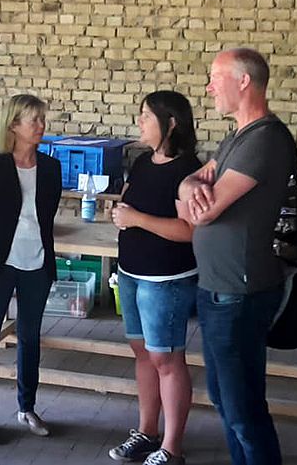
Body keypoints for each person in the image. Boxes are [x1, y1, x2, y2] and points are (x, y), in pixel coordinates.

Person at [178, 48, 296, 465]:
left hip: (239, 292)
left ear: (244, 81)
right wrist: (189, 187)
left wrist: (194, 196)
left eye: (215, 77)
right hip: (217, 287)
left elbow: (203, 213)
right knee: (226, 400)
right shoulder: (236, 137)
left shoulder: (265, 139)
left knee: (242, 407)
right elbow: (191, 186)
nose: (209, 87)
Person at [108, 91, 201, 465]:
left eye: (146, 115)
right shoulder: (143, 162)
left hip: (165, 279)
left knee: (166, 358)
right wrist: (122, 215)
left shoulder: (188, 170)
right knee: (143, 352)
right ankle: (147, 433)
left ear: (171, 123)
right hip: (131, 272)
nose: (140, 122)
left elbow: (189, 230)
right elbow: (128, 202)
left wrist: (136, 220)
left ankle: (172, 448)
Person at [0, 94, 62, 445]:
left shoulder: (51, 168)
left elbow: (46, 214)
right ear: (14, 125)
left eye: (42, 119)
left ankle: (27, 407)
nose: (41, 126)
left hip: (37, 262)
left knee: (30, 337)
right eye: (33, 120)